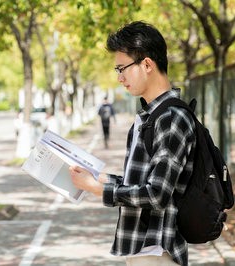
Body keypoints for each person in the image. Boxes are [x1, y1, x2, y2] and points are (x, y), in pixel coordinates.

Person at [69, 21, 196, 266]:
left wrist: (98, 189)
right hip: (144, 250)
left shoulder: (171, 118)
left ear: (147, 64)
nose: (119, 78)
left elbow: (156, 194)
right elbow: (146, 184)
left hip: (157, 252)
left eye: (122, 68)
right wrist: (100, 178)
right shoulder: (151, 116)